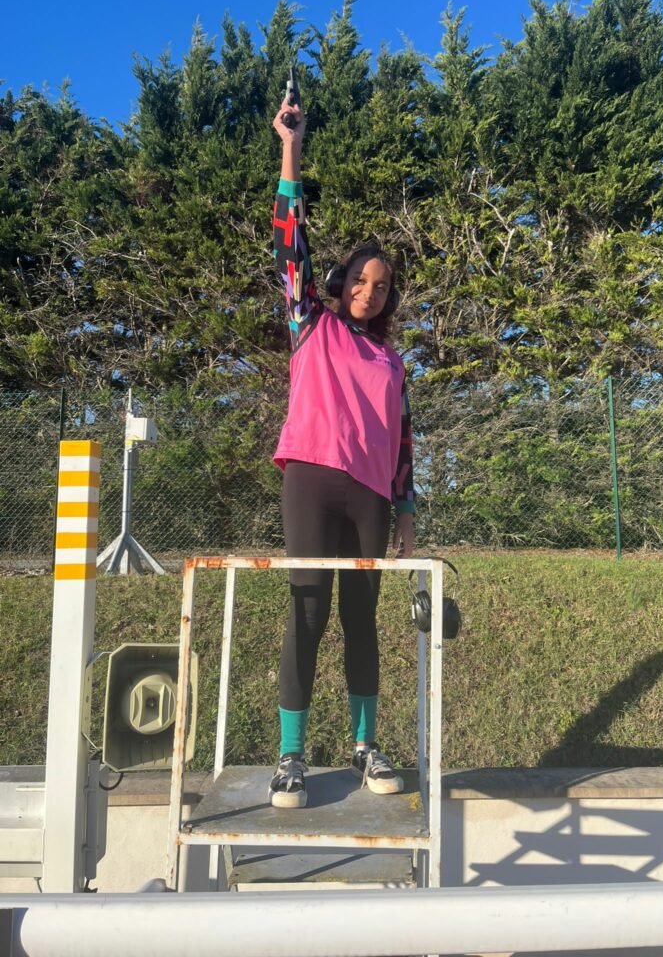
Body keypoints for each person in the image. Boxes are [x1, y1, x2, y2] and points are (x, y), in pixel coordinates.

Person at [269, 97, 416, 808]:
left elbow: (404, 440)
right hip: (311, 481)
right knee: (307, 612)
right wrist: (291, 148)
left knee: (362, 619)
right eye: (360, 279)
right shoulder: (308, 322)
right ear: (340, 280)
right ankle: (291, 756)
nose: (369, 291)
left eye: (381, 286)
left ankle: (364, 746)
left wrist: (407, 510)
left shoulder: (392, 361)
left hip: (371, 499)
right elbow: (288, 240)